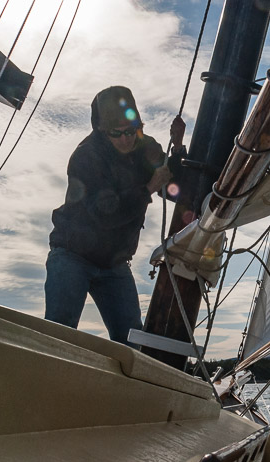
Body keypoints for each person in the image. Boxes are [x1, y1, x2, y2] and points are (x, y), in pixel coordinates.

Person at [44, 85, 182, 345]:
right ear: (101, 130)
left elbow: (175, 187)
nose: (126, 139)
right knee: (58, 336)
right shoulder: (85, 157)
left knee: (131, 343)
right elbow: (105, 213)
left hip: (114, 263)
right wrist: (150, 186)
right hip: (72, 256)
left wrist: (178, 149)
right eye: (116, 134)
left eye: (131, 131)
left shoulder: (143, 146)